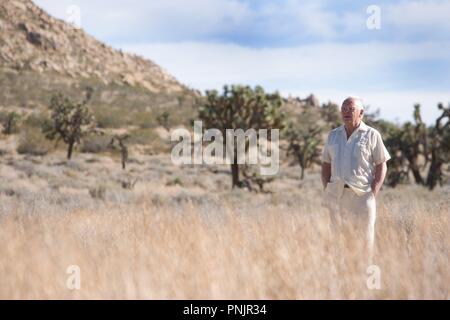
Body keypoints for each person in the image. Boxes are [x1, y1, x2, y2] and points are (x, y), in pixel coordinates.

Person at [321, 96, 391, 264]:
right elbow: (325, 166)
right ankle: (342, 281)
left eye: (351, 109)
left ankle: (364, 283)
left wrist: (373, 192)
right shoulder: (333, 135)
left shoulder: (372, 135)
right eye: (343, 109)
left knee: (365, 244)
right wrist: (327, 190)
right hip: (337, 197)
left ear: (361, 112)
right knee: (338, 244)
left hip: (363, 198)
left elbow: (382, 165)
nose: (346, 112)